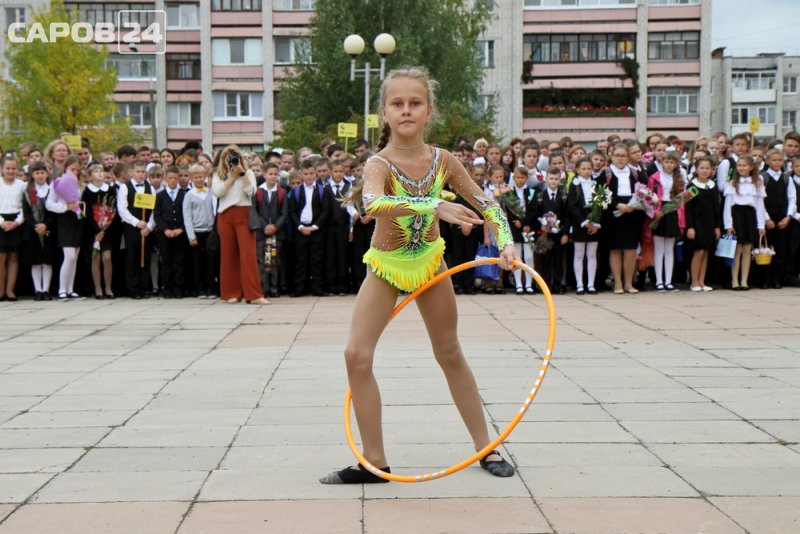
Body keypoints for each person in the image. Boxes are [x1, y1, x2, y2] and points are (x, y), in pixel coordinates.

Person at [319, 67, 518, 485]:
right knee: (356, 355)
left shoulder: (443, 160)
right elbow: (373, 203)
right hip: (386, 267)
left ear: (429, 111)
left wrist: (505, 241)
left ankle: (487, 447)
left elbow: (488, 204)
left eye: (415, 103)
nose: (406, 110)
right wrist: (434, 205)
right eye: (398, 103)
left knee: (449, 352)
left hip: (430, 263)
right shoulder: (378, 163)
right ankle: (374, 461)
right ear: (385, 113)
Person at [211, 146, 269, 305]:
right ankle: (232, 293)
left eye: (234, 157)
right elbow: (218, 192)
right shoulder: (218, 175)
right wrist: (231, 177)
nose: (231, 160)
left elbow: (251, 192)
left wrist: (241, 173)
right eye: (228, 157)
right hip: (225, 216)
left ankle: (254, 295)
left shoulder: (248, 173)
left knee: (248, 256)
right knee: (228, 256)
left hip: (244, 215)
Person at [723, 155, 766, 291]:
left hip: (750, 216)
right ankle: (734, 280)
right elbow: (727, 206)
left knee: (747, 249)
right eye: (739, 165)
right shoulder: (732, 183)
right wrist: (728, 224)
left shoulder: (757, 183)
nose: (741, 168)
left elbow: (760, 205)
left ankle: (744, 281)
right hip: (736, 215)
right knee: (737, 249)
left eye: (744, 165)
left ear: (751, 167)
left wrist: (761, 225)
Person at [46, 156, 85, 301]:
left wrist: (77, 206)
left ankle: (70, 289)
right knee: (69, 256)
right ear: (65, 168)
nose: (74, 172)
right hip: (64, 219)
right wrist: (65, 207)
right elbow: (49, 204)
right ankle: (61, 289)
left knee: (75, 257)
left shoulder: (79, 184)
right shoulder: (57, 182)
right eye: (72, 169)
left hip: (77, 219)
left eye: (77, 170)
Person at [288, 159, 330, 297]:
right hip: (301, 230)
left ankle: (317, 288)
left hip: (316, 230)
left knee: (317, 260)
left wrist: (315, 226)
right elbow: (292, 211)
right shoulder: (296, 191)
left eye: (311, 173)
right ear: (301, 174)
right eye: (306, 174)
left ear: (315, 174)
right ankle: (300, 288)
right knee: (300, 260)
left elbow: (325, 210)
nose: (309, 176)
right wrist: (300, 226)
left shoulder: (322, 190)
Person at [606, 144, 642, 294]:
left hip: (632, 214)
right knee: (615, 249)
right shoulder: (606, 173)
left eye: (623, 156)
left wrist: (635, 204)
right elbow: (600, 194)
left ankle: (628, 283)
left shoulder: (634, 173)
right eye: (617, 155)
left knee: (630, 249)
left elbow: (643, 191)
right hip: (613, 214)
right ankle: (618, 283)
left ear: (628, 157)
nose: (620, 159)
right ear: (611, 157)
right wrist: (616, 204)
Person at [117, 160, 155, 299]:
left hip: (146, 228)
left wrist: (149, 226)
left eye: (143, 172)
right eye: (138, 172)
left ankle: (143, 287)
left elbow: (154, 210)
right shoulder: (125, 187)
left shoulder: (150, 187)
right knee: (132, 257)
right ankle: (133, 289)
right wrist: (136, 222)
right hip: (131, 228)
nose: (140, 174)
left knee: (145, 258)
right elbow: (122, 209)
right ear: (132, 172)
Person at [647, 152, 684, 292]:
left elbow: (681, 201)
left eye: (672, 162)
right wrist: (654, 212)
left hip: (672, 211)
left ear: (676, 164)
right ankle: (659, 281)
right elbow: (649, 197)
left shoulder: (679, 179)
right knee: (659, 249)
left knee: (669, 249)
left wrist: (682, 222)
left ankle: (668, 281)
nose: (668, 164)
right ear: (662, 163)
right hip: (659, 212)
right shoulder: (654, 178)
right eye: (666, 162)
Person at [761, 148, 796, 288]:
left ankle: (777, 278)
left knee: (781, 249)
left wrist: (788, 217)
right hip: (767, 218)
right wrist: (766, 219)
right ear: (767, 161)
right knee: (766, 249)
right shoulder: (763, 178)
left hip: (782, 219)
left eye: (780, 160)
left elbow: (792, 199)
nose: (777, 162)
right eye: (774, 160)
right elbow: (760, 200)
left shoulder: (787, 179)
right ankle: (765, 278)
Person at [685, 157, 721, 291]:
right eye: (702, 168)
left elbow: (716, 208)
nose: (705, 171)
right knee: (699, 251)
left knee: (706, 252)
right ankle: (694, 282)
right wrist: (690, 227)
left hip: (709, 223)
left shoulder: (713, 186)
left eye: (707, 168)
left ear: (712, 170)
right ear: (696, 169)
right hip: (696, 223)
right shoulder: (692, 186)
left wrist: (717, 226)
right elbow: (688, 208)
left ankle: (702, 281)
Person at [81, 164, 117, 299]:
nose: (100, 173)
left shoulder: (110, 189)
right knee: (95, 258)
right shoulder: (87, 191)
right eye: (96, 172)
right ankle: (98, 288)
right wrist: (97, 230)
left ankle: (108, 288)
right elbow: (87, 213)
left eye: (101, 171)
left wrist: (105, 227)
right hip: (93, 231)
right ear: (90, 176)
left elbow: (112, 208)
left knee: (107, 258)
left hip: (107, 229)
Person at [532, 167, 568, 294]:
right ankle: (546, 286)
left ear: (560, 180)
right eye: (551, 178)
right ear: (546, 179)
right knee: (545, 260)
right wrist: (540, 226)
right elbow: (535, 214)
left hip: (559, 233)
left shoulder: (564, 196)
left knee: (558, 260)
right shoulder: (540, 196)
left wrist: (566, 234)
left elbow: (567, 216)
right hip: (545, 234)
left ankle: (558, 285)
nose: (553, 181)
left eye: (556, 179)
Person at [568, 158, 601, 295]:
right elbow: (572, 206)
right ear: (577, 170)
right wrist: (584, 222)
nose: (587, 171)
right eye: (584, 169)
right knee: (579, 254)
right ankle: (579, 284)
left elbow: (600, 204)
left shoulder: (596, 184)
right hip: (579, 223)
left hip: (594, 223)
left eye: (589, 169)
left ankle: (591, 284)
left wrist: (595, 222)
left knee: (592, 254)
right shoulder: (574, 185)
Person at [254, 162, 288, 298]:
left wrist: (275, 226)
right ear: (264, 174)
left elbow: (284, 213)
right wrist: (264, 226)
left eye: (275, 174)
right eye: (270, 174)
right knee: (262, 261)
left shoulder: (281, 192)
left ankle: (274, 288)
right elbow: (254, 212)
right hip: (261, 233)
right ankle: (263, 288)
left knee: (273, 260)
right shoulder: (257, 192)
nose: (273, 177)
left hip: (276, 233)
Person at [23, 161, 55, 300]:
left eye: (42, 172)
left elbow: (53, 211)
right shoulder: (29, 191)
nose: (40, 175)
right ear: (32, 175)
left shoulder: (52, 190)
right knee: (35, 261)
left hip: (49, 229)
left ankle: (46, 289)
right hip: (33, 230)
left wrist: (45, 224)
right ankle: (38, 290)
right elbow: (27, 212)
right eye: (37, 173)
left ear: (47, 174)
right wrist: (36, 225)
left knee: (47, 260)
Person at [182, 164, 215, 298]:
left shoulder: (210, 192)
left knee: (210, 261)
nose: (198, 179)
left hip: (210, 231)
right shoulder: (189, 195)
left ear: (205, 177)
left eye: (200, 177)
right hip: (197, 231)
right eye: (195, 177)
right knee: (198, 262)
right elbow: (187, 217)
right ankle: (200, 289)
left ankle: (210, 288)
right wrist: (191, 236)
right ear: (191, 179)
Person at [154, 166, 186, 298]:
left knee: (179, 260)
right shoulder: (160, 196)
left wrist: (181, 228)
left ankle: (179, 288)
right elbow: (157, 215)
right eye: (170, 178)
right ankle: (167, 288)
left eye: (175, 178)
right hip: (165, 233)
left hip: (179, 233)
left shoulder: (184, 195)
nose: (173, 181)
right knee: (166, 261)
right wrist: (165, 229)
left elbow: (187, 214)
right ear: (165, 179)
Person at [0, 156, 26, 301]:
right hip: (1, 221)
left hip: (16, 221)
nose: (10, 171)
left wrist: (17, 222)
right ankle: (0, 290)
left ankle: (10, 290)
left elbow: (25, 207)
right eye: (7, 168)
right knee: (1, 257)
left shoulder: (22, 185)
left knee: (14, 257)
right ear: (2, 169)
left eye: (13, 168)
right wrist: (2, 222)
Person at [324, 159, 352, 295]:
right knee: (331, 257)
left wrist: (351, 229)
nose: (338, 174)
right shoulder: (326, 188)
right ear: (330, 172)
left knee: (343, 256)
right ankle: (331, 286)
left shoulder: (348, 187)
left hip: (343, 227)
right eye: (335, 171)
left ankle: (343, 286)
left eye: (341, 171)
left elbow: (351, 209)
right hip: (330, 228)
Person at [507, 166, 536, 295]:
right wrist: (517, 222)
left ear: (526, 178)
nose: (520, 180)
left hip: (528, 228)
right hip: (515, 227)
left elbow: (534, 210)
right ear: (513, 178)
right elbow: (509, 210)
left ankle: (529, 284)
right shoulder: (509, 193)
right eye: (517, 177)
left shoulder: (531, 192)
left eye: (522, 177)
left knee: (529, 256)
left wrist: (525, 223)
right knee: (517, 256)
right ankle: (518, 284)